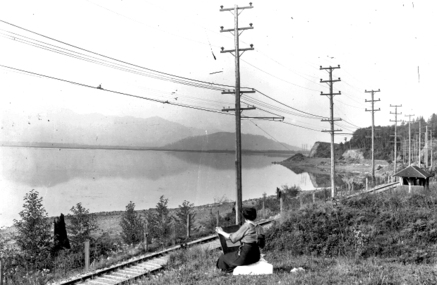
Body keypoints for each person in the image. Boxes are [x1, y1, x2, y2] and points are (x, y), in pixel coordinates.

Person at [215, 207, 264, 273]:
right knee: (233, 257)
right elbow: (262, 245)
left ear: (245, 216)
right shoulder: (260, 227)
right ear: (255, 216)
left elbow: (233, 238)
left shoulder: (246, 226)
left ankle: (225, 271)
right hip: (256, 256)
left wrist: (221, 232)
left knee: (223, 257)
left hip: (246, 256)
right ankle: (231, 268)